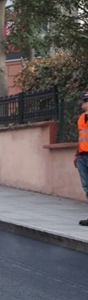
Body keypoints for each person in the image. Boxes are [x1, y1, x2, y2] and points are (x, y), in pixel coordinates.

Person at [76, 90, 88, 225]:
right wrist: (77, 154)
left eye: (86, 101)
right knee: (87, 187)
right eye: (84, 101)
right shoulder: (80, 118)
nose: (84, 104)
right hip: (82, 156)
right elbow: (80, 138)